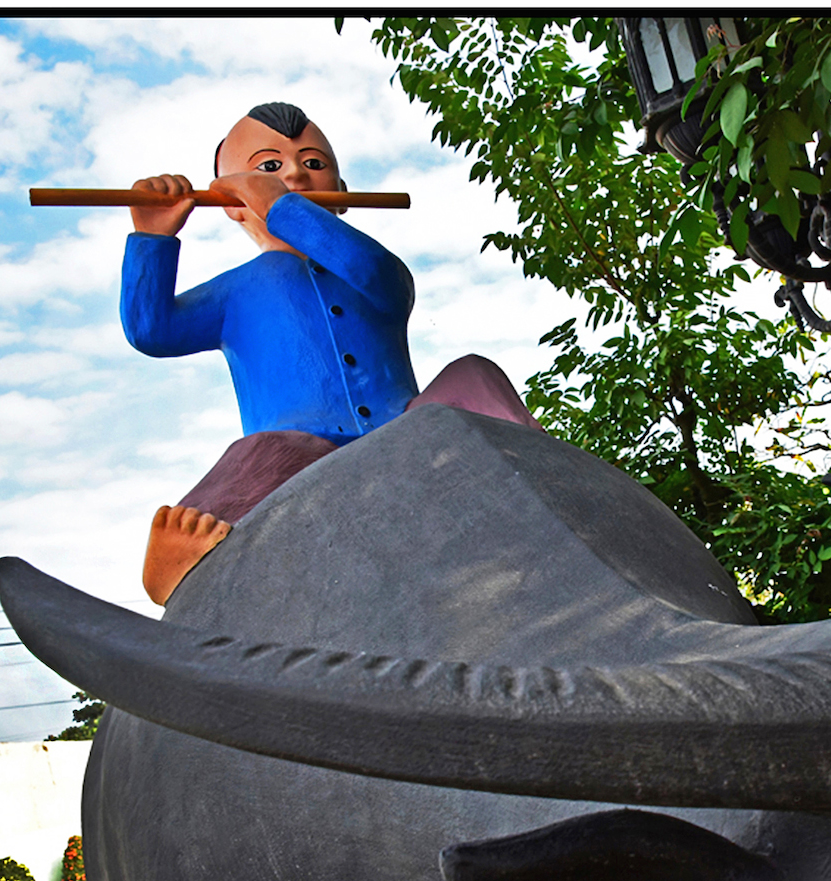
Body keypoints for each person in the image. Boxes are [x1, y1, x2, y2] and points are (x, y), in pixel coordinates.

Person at [122, 101, 542, 604]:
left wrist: (281, 204)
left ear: (341, 195)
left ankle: (540, 469)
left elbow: (372, 273)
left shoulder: (373, 268)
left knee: (473, 375)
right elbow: (153, 331)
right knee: (259, 454)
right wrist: (152, 237)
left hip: (408, 427)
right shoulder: (237, 291)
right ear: (230, 203)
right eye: (269, 166)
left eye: (314, 164)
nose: (296, 172)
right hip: (300, 444)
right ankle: (188, 561)